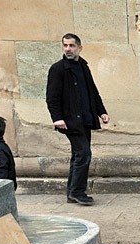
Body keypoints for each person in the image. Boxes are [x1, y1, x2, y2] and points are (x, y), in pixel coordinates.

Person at [46, 33, 109, 206]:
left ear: (79, 48)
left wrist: (101, 112)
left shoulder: (83, 66)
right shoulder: (58, 69)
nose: (68, 49)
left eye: (72, 46)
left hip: (85, 119)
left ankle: (72, 192)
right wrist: (57, 118)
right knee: (83, 154)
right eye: (65, 45)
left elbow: (92, 92)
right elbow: (52, 97)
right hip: (70, 120)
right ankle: (77, 192)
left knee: (79, 155)